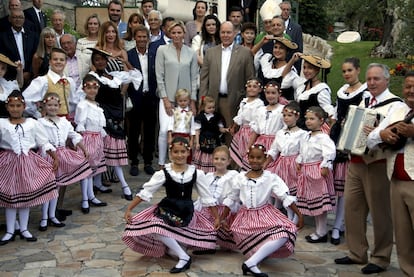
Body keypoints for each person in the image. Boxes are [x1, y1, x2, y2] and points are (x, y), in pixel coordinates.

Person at [334, 64, 403, 275]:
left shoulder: (395, 105)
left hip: (377, 164)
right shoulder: (364, 101)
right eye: (369, 79)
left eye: (376, 79)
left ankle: (381, 257)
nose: (372, 83)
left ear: (387, 80)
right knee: (353, 209)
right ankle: (357, 252)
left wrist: (376, 134)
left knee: (380, 212)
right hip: (355, 161)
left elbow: (383, 135)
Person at [122, 136, 219, 274]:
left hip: (185, 211)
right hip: (167, 208)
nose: (179, 155)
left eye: (183, 152)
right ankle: (184, 257)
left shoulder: (196, 173)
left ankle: (180, 252)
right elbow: (146, 192)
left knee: (173, 251)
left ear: (188, 152)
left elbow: (207, 197)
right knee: (156, 226)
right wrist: (129, 208)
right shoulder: (163, 173)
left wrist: (216, 217)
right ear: (170, 153)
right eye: (176, 152)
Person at [221, 144, 303, 277]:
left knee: (285, 232)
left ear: (265, 159)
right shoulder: (240, 178)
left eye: (259, 158)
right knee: (257, 243)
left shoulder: (270, 177)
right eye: (252, 157)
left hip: (265, 214)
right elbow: (232, 198)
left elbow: (284, 196)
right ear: (247, 157)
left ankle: (250, 263)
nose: (255, 160)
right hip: (245, 218)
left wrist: (299, 214)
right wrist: (222, 218)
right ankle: (253, 260)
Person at [366, 71, 414, 276]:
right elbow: (370, 137)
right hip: (395, 178)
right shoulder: (398, 109)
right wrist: (383, 134)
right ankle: (408, 270)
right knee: (402, 235)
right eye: (407, 86)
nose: (411, 91)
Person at [0, 90, 58, 245]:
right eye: (12, 106)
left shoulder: (32, 123)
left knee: (25, 196)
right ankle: (10, 230)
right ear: (7, 107)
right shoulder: (1, 124)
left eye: (18, 105)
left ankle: (24, 228)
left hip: (28, 162)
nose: (15, 109)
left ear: (24, 106)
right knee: (11, 197)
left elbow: (43, 142)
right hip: (8, 162)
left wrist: (54, 156)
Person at [86, 47, 142, 202]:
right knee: (105, 155)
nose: (100, 62)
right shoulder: (91, 78)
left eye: (103, 59)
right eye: (97, 59)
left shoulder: (113, 76)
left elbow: (136, 75)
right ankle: (124, 186)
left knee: (107, 154)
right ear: (93, 62)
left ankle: (97, 183)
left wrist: (125, 62)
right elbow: (85, 97)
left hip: (116, 118)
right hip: (103, 121)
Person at [38, 92, 92, 230]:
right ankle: (44, 218)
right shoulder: (40, 123)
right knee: (49, 188)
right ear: (44, 106)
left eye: (55, 105)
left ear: (59, 106)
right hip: (48, 156)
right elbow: (42, 141)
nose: (52, 108)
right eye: (49, 105)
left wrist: (83, 148)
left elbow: (73, 135)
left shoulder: (63, 122)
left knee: (57, 186)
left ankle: (53, 215)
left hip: (62, 154)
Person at [329, 57, 368, 245]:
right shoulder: (341, 91)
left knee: (345, 185)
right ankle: (339, 223)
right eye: (344, 71)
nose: (346, 74)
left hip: (352, 139)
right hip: (338, 136)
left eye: (350, 71)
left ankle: (338, 225)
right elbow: (337, 113)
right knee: (338, 184)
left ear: (358, 70)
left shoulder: (365, 92)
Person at [199, 21, 255, 145]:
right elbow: (204, 79)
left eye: (228, 32)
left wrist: (248, 102)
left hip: (234, 100)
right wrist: (202, 100)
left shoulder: (245, 53)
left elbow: (250, 79)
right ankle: (212, 162)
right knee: (210, 131)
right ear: (219, 33)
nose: (225, 35)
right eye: (223, 32)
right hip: (212, 99)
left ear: (234, 33)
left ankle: (233, 162)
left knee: (231, 132)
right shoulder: (210, 52)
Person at [155, 20, 198, 169]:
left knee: (183, 130)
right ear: (169, 33)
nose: (176, 35)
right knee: (164, 130)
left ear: (184, 34)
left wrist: (193, 101)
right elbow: (159, 76)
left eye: (179, 32)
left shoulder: (191, 52)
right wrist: (165, 99)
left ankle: (181, 161)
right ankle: (161, 163)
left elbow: (194, 78)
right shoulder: (162, 50)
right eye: (173, 32)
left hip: (185, 99)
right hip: (167, 97)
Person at [295, 106, 336, 243]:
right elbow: (303, 151)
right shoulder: (306, 136)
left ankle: (321, 231)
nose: (308, 121)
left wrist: (325, 165)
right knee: (314, 204)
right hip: (307, 172)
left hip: (317, 172)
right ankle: (320, 231)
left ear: (321, 120)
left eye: (312, 119)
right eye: (307, 119)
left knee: (320, 205)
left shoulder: (323, 137)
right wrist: (300, 161)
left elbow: (330, 152)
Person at [264, 101, 307, 221]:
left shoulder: (302, 134)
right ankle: (285, 214)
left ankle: (295, 217)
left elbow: (303, 151)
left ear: (297, 116)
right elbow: (274, 150)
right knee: (282, 189)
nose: (286, 118)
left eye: (289, 115)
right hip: (281, 164)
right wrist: (266, 163)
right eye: (284, 115)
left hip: (294, 164)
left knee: (293, 190)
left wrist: (299, 162)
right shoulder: (280, 133)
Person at [193, 145, 239, 252]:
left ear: (228, 161)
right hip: (210, 208)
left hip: (224, 208)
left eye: (223, 159)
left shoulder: (233, 175)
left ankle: (224, 241)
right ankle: (207, 243)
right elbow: (204, 195)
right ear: (212, 160)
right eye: (216, 158)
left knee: (224, 228)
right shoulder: (208, 176)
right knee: (202, 217)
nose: (219, 161)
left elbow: (233, 195)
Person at [75, 74, 108, 214]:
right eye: (89, 87)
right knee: (86, 170)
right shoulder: (83, 105)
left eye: (95, 87)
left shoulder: (97, 105)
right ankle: (84, 199)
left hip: (97, 139)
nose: (92, 90)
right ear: (84, 89)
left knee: (92, 170)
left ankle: (91, 196)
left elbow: (99, 125)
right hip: (87, 139)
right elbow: (80, 124)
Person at [126, 25, 157, 176]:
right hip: (135, 97)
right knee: (134, 131)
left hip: (150, 97)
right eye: (139, 37)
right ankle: (134, 162)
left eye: (145, 37)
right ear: (134, 38)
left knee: (150, 131)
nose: (142, 39)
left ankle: (148, 161)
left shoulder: (154, 54)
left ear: (148, 38)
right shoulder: (129, 55)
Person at [23, 47, 80, 120]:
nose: (58, 62)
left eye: (62, 60)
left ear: (66, 62)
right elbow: (26, 100)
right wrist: (38, 114)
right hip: (48, 121)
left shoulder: (69, 81)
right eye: (55, 59)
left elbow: (73, 102)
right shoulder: (43, 81)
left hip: (65, 121)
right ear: (50, 61)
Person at [282, 53, 334, 131]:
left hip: (310, 130)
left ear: (317, 70)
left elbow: (329, 112)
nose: (306, 71)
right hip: (298, 127)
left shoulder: (321, 90)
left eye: (310, 68)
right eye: (304, 67)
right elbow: (285, 75)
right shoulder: (302, 84)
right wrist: (293, 60)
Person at [246, 81, 285, 170]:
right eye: (268, 93)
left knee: (270, 168)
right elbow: (256, 131)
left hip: (275, 143)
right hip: (260, 143)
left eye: (273, 93)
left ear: (279, 94)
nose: (270, 95)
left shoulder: (282, 110)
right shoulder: (261, 110)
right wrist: (249, 146)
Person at [229, 78, 264, 169]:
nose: (251, 88)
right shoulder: (244, 101)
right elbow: (240, 116)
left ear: (260, 89)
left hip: (250, 132)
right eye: (249, 86)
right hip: (242, 131)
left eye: (254, 87)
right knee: (237, 152)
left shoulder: (259, 104)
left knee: (247, 152)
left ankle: (246, 170)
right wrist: (234, 126)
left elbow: (257, 122)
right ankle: (238, 170)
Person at [0, 8, 38, 88]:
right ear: (10, 19)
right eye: (15, 17)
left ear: (24, 19)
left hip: (29, 78)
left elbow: (36, 55)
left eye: (20, 17)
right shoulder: (3, 37)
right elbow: (3, 58)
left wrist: (29, 72)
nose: (18, 20)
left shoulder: (33, 36)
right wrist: (19, 73)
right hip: (10, 79)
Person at [193, 96, 228, 172]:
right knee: (203, 156)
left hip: (214, 141)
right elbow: (197, 131)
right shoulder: (200, 117)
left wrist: (226, 130)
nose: (212, 109)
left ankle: (212, 172)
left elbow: (220, 129)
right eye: (209, 108)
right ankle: (202, 173)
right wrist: (197, 142)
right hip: (203, 141)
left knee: (214, 155)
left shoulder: (217, 117)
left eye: (213, 107)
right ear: (203, 107)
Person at [260, 36, 298, 101]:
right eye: (275, 47)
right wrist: (262, 42)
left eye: (281, 48)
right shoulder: (267, 61)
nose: (277, 50)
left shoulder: (291, 72)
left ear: (287, 51)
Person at [167, 89, 196, 154]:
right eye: (180, 101)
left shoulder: (191, 113)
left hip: (186, 137)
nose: (183, 102)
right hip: (175, 136)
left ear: (189, 101)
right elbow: (170, 125)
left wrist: (192, 140)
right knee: (175, 153)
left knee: (185, 153)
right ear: (177, 101)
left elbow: (192, 128)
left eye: (185, 100)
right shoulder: (174, 111)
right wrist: (169, 136)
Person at [279, 1, 303, 73]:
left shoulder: (296, 28)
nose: (286, 12)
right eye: (283, 9)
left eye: (288, 10)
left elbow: (299, 50)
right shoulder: (274, 26)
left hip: (291, 66)